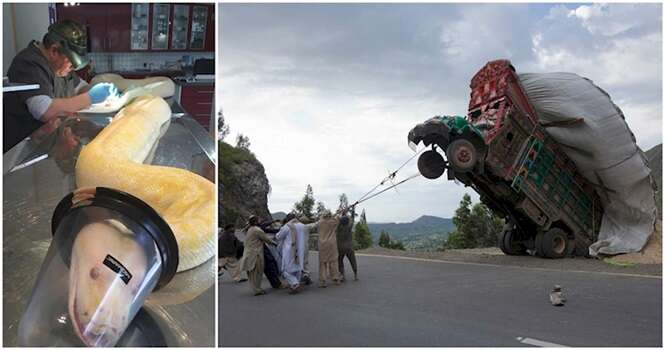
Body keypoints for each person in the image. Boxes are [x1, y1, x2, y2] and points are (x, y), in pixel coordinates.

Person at [4, 19, 119, 152]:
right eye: (71, 63)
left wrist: (102, 92)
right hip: (18, 151)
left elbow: (79, 87)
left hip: (46, 141)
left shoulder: (61, 67)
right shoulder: (29, 63)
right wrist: (91, 97)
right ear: (54, 51)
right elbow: (44, 110)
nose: (72, 68)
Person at [239, 216, 275, 296]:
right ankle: (257, 290)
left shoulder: (249, 229)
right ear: (255, 222)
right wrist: (274, 243)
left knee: (251, 273)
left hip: (248, 254)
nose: (260, 221)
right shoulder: (257, 230)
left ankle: (255, 288)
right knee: (257, 272)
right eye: (258, 220)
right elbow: (266, 239)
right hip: (255, 254)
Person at [316, 211, 342, 287]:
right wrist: (335, 215)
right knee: (333, 261)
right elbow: (338, 220)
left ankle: (323, 280)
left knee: (322, 263)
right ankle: (336, 278)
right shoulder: (333, 222)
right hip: (332, 244)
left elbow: (319, 221)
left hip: (322, 244)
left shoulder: (320, 223)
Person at [337, 206, 359, 281]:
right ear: (347, 222)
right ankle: (355, 275)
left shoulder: (339, 228)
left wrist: (344, 212)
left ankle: (342, 275)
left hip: (340, 248)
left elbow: (341, 220)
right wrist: (353, 209)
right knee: (353, 261)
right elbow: (352, 218)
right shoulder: (349, 227)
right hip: (349, 247)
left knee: (340, 261)